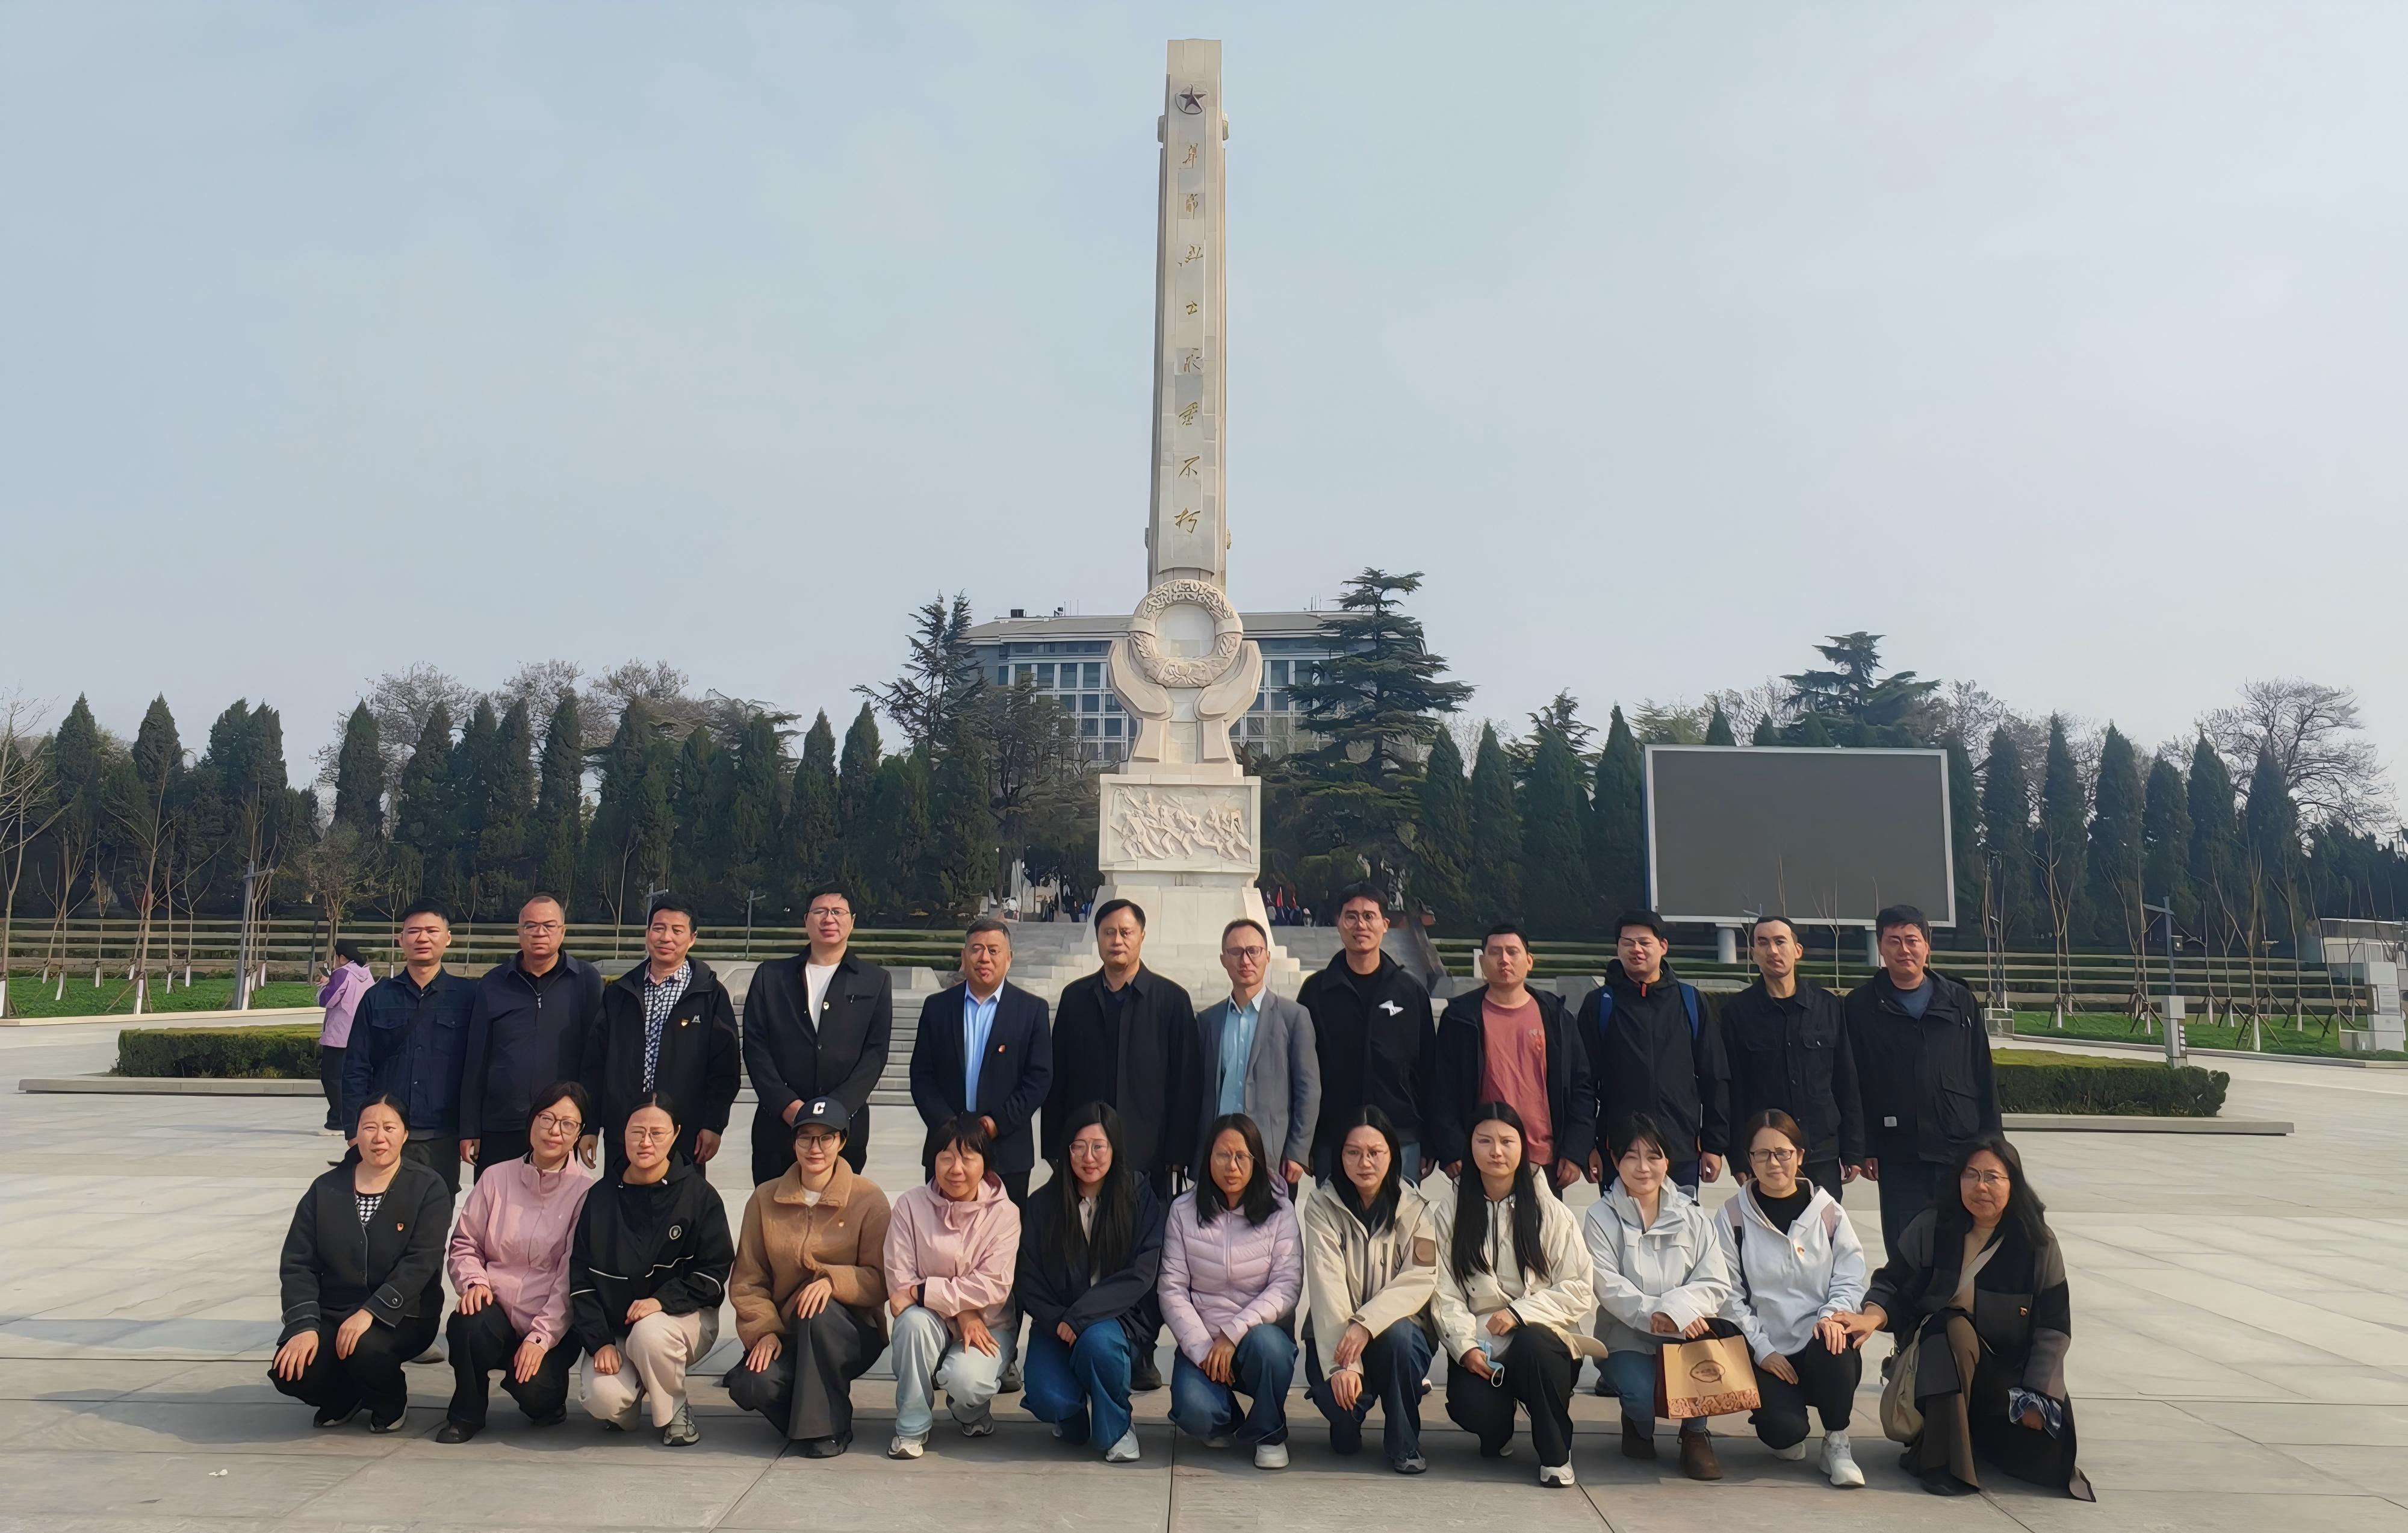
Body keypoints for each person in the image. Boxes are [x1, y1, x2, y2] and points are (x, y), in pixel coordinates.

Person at [1846, 1134, 2093, 1499]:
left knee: (2047, 1459)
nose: (1981, 1187)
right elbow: (1893, 1282)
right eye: (1971, 1175)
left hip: (2010, 1372)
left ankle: (1969, 1439)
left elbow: (2054, 1327)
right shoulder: (1933, 1226)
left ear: (2013, 1184)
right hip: (1943, 1362)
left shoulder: (2036, 1242)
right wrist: (1872, 1316)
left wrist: (2038, 1395)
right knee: (1951, 1327)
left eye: (1993, 1177)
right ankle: (1944, 1464)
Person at [1043, 897, 1197, 1389]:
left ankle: (1141, 1349)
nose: (1117, 941)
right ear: (1098, 938)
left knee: (1145, 1260)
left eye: (1126, 932)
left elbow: (1185, 1084)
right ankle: (1085, 1338)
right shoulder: (1075, 999)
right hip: (1085, 1160)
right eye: (1109, 932)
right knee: (1086, 1252)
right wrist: (1055, 1149)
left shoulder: (1170, 1001)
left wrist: (1179, 1154)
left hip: (1148, 1160)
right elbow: (1057, 1079)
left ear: (1141, 937)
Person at [1429, 1101, 1595, 1488]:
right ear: (1470, 1146)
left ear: (1523, 1147)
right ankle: (1499, 1429)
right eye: (1484, 1141)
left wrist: (1520, 1313)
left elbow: (1578, 1287)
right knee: (1474, 1409)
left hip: (1542, 1343)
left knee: (1534, 1345)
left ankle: (1555, 1455)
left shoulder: (1550, 1211)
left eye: (1507, 1141)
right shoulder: (1451, 1211)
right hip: (1483, 1344)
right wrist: (1464, 1348)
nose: (1496, 1152)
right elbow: (1443, 1291)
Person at [269, 1093, 453, 1432]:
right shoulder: (325, 1188)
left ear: (405, 1134)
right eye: (369, 1128)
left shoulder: (428, 1187)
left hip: (404, 1315)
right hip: (334, 1309)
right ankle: (344, 1398)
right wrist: (303, 1325)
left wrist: (371, 1313)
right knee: (291, 1370)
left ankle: (389, 1401)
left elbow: (421, 1261)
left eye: (389, 1128)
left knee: (364, 1348)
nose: (379, 1137)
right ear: (356, 1134)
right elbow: (298, 1263)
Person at [724, 1095, 894, 1457]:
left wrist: (832, 1282)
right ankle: (816, 1416)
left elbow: (882, 1279)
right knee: (751, 1385)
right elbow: (748, 1280)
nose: (815, 1148)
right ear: (794, 1142)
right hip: (787, 1331)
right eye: (806, 1138)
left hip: (848, 1331)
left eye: (826, 1138)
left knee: (817, 1311)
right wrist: (764, 1332)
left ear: (842, 1142)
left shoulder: (868, 1198)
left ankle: (828, 1429)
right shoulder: (765, 1198)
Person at [568, 1095, 734, 1446]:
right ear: (623, 1134)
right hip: (617, 1328)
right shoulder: (600, 1197)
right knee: (603, 1399)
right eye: (637, 1132)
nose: (646, 1142)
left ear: (676, 1135)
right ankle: (636, 1389)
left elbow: (714, 1274)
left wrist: (661, 1302)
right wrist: (599, 1342)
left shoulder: (699, 1196)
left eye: (657, 1133)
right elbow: (581, 1279)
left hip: (681, 1320)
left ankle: (674, 1410)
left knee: (649, 1334)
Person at [1714, 1109, 1869, 1487]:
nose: (1773, 1163)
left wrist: (1832, 1316)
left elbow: (1849, 1276)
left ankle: (1837, 1441)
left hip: (1820, 1342)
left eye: (1782, 1153)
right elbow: (1728, 1294)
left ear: (1800, 1156)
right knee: (1783, 1433)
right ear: (1749, 1160)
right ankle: (1787, 1421)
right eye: (1762, 1154)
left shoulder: (1828, 1212)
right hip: (1768, 1347)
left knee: (1835, 1339)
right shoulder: (1733, 1216)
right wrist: (1762, 1350)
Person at [437, 1081, 596, 1443]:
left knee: (537, 1393)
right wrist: (474, 1282)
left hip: (550, 1321)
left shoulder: (586, 1193)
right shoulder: (496, 1177)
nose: (555, 1131)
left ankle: (546, 1400)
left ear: (579, 1134)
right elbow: (465, 1243)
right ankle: (466, 1414)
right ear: (532, 1121)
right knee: (467, 1324)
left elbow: (571, 1276)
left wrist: (541, 1337)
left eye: (568, 1124)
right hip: (496, 1307)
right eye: (547, 1119)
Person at [1584, 1111, 1735, 1480]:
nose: (1643, 1167)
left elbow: (1715, 1281)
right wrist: (1656, 1314)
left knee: (1701, 1370)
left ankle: (1695, 1434)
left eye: (1654, 1156)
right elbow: (1606, 1284)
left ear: (1668, 1160)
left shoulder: (1693, 1216)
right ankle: (1637, 1422)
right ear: (1615, 1159)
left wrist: (1677, 1313)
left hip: (1687, 1334)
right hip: (1626, 1336)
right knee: (1642, 1397)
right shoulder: (1600, 1217)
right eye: (1631, 1156)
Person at [1016, 1102, 1166, 1464]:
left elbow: (1141, 1273)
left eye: (1099, 1146)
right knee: (1048, 1397)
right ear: (1066, 1150)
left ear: (1115, 1148)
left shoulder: (1139, 1198)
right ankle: (1074, 1416)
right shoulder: (1043, 1205)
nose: (1089, 1157)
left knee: (1098, 1343)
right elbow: (1028, 1278)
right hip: (1058, 1324)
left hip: (1118, 1322)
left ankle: (1118, 1427)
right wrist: (1060, 1321)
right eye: (1079, 1147)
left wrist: (1081, 1318)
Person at [1846, 904, 2000, 1245]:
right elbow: (1854, 1081)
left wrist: (1994, 1143)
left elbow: (1981, 1071)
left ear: (1927, 946)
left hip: (1958, 1145)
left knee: (1960, 1243)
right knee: (1905, 1244)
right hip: (1898, 1150)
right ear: (1881, 947)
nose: (1904, 949)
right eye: (1894, 941)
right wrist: (1865, 1146)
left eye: (1912, 940)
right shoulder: (1860, 1006)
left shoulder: (1959, 1000)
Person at [1159, 1113, 1303, 1470]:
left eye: (1242, 1156)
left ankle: (1269, 1433)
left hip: (1257, 1339)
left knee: (1270, 1348)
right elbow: (1172, 1289)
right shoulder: (1183, 1211)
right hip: (1205, 1342)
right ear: (1208, 1158)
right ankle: (1232, 1421)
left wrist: (1232, 1334)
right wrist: (1204, 1350)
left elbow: (1287, 1285)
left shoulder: (1280, 1211)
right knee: (1194, 1411)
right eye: (1223, 1155)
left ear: (1257, 1161)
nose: (1232, 1166)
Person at [1300, 1106, 1438, 1473]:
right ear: (1339, 1156)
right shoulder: (1321, 1205)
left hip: (1396, 1335)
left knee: (1402, 1338)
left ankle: (1405, 1444)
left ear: (1392, 1155)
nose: (1365, 1162)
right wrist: (1343, 1365)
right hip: (1337, 1335)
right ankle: (1348, 1418)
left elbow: (1421, 1277)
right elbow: (1327, 1285)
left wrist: (1366, 1324)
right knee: (1343, 1427)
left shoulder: (1416, 1209)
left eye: (1375, 1152)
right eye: (1353, 1152)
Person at [882, 1114, 1023, 1460]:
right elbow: (900, 1286)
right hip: (931, 1320)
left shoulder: (1005, 1214)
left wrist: (924, 1292)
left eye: (968, 1158)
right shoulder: (910, 1206)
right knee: (912, 1325)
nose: (956, 1169)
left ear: (985, 1164)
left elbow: (993, 1287)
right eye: (946, 1157)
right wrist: (962, 1312)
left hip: (989, 1324)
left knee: (967, 1382)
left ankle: (969, 1409)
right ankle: (911, 1427)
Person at [742, 885, 893, 1183]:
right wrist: (787, 1106)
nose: (829, 919)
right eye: (820, 911)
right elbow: (756, 1046)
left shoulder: (875, 981)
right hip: (778, 1128)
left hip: (844, 1129)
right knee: (774, 1208)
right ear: (806, 919)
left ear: (852, 921)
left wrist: (833, 1113)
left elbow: (875, 1054)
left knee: (839, 1209)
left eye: (838, 912)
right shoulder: (771, 977)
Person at [583, 894, 740, 1179]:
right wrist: (591, 1126)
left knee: (680, 1203)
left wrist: (714, 1124)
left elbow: (725, 1067)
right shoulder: (619, 994)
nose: (666, 937)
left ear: (692, 938)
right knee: (622, 1202)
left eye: (677, 930)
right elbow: (595, 1064)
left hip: (684, 1134)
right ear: (647, 934)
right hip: (625, 1133)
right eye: (658, 928)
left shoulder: (711, 995)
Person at [1428, 924, 1593, 1192]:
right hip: (1481, 1159)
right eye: (1495, 952)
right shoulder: (1460, 1018)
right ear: (1482, 962)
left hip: (1543, 1161)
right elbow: (1442, 1089)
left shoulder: (1556, 1017)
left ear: (1529, 961)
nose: (1504, 960)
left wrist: (1575, 1150)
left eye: (1512, 952)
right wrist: (1452, 1149)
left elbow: (1580, 1086)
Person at [1577, 910, 1727, 1195]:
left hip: (1680, 1150)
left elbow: (1714, 1076)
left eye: (1645, 942)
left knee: (1681, 1223)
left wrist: (1713, 1145)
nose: (1636, 949)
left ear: (1663, 946)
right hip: (1619, 1151)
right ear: (1618, 948)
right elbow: (1582, 1084)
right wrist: (1587, 1146)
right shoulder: (1600, 1004)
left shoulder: (1690, 1002)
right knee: (1620, 1222)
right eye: (1627, 942)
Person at [1298, 885, 1436, 1184]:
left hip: (1400, 1134)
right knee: (1335, 1214)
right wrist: (1305, 1140)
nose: (1360, 924)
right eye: (1351, 916)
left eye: (1369, 916)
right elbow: (1301, 1069)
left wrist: (1430, 1139)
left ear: (1385, 925)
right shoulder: (1316, 991)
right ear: (1338, 923)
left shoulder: (1410, 991)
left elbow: (1428, 1069)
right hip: (1333, 1136)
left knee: (1401, 1214)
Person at [909, 918, 1053, 1203]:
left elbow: (1039, 1079)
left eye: (994, 950)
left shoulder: (1032, 1011)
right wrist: (949, 1128)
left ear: (1009, 959)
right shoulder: (937, 1008)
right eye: (976, 949)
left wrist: (996, 1123)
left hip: (1007, 1153)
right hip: (947, 1150)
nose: (984, 957)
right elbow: (922, 1075)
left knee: (1004, 1230)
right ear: (964, 957)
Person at [459, 894, 604, 1176]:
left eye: (549, 926)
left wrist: (591, 1125)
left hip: (561, 1126)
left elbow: (595, 1060)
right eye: (531, 926)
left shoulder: (586, 981)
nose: (540, 933)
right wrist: (469, 1127)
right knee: (497, 1201)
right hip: (501, 1124)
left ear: (562, 931)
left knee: (558, 1202)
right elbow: (476, 1060)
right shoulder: (492, 983)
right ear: (519, 932)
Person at [1719, 917, 1864, 1195]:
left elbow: (1846, 1081)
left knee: (1823, 1223)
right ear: (1753, 954)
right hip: (1766, 1155)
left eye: (1780, 942)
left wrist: (1853, 1149)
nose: (1772, 951)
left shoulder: (1827, 1006)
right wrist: (1737, 1156)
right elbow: (1733, 1091)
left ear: (1798, 951)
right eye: (1763, 943)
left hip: (1821, 1149)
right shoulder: (1737, 1013)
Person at [341, 900, 477, 1193]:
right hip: (386, 1135)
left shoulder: (469, 997)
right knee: (380, 1213)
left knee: (435, 1212)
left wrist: (472, 1129)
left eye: (432, 931)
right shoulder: (377, 997)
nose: (422, 938)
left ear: (447, 938)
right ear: (400, 939)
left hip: (442, 1136)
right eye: (414, 931)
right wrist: (354, 1129)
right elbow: (356, 1067)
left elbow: (478, 1068)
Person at [1190, 919, 1320, 1189]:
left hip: (1271, 1155)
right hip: (1218, 1152)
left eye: (1253, 951)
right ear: (1223, 960)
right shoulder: (1208, 1021)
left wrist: (1298, 1151)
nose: (1245, 960)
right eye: (1236, 952)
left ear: (1267, 956)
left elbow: (1308, 1090)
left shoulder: (1294, 1017)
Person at [314, 939, 373, 1133]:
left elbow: (327, 1000)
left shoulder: (342, 973)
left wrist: (325, 986)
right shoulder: (366, 974)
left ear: (341, 957)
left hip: (339, 1036)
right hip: (361, 1034)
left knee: (331, 1078)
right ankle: (354, 1117)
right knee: (352, 1078)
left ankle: (337, 1121)